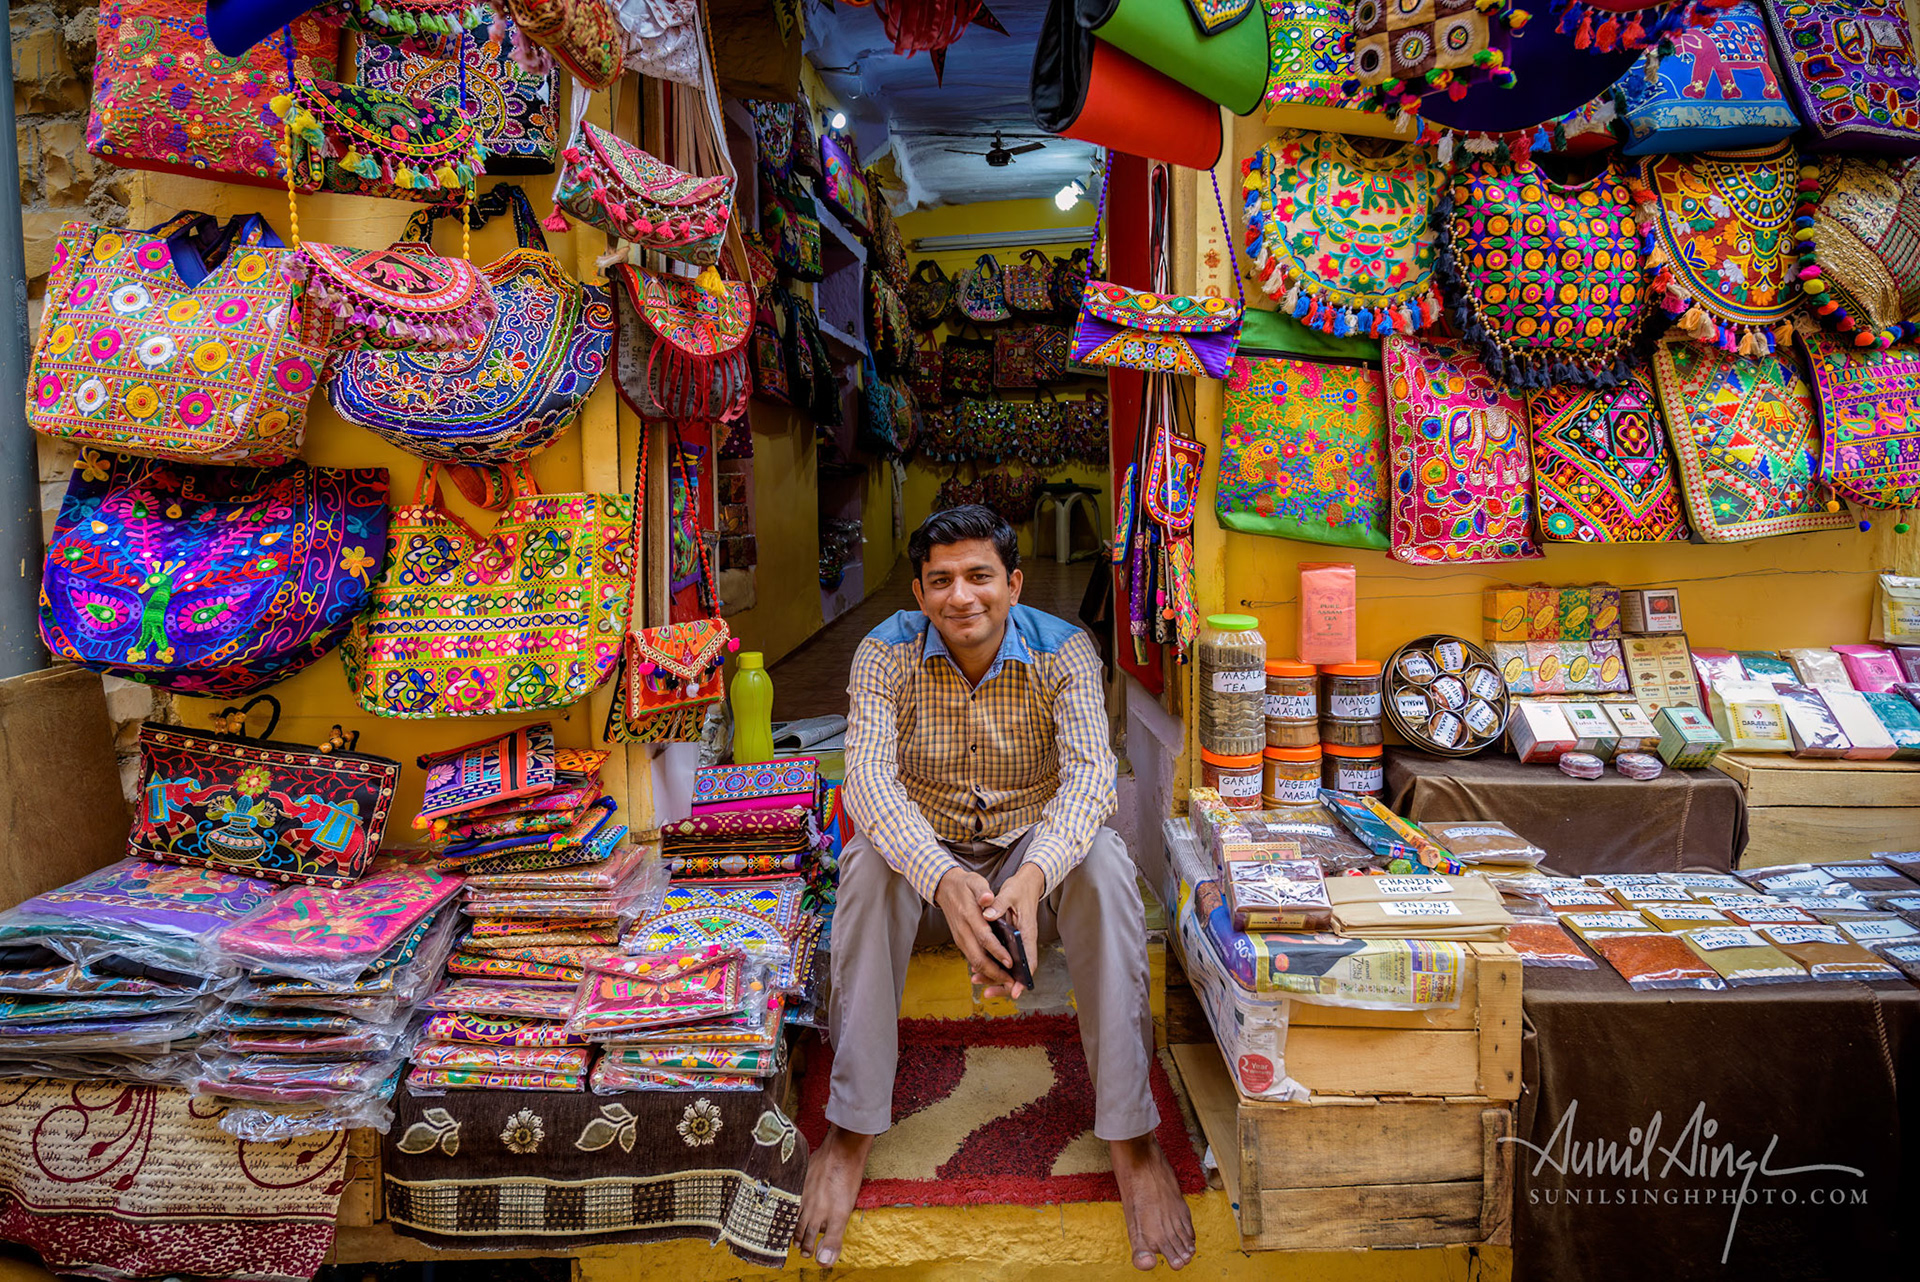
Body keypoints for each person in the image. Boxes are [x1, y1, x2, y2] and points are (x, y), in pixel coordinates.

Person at [794, 505, 1195, 1272]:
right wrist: (943, 878)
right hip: (927, 864)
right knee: (867, 866)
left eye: (980, 577)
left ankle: (1131, 1134)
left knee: (1106, 867)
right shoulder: (884, 656)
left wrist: (1032, 878)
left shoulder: (1066, 650)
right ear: (917, 592)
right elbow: (870, 783)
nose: (961, 597)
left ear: (1013, 584)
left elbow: (1088, 777)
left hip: (1029, 861)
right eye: (940, 581)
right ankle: (850, 1128)